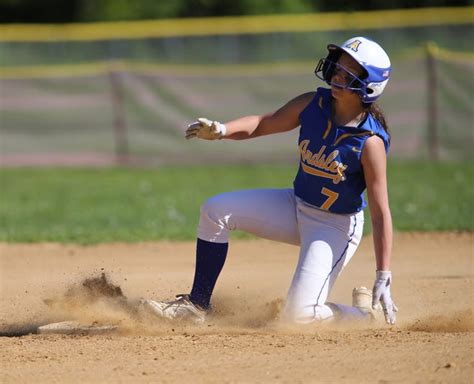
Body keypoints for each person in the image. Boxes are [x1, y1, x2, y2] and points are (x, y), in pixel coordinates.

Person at [144, 36, 398, 325]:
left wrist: (383, 275)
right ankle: (197, 305)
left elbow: (380, 213)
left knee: (298, 317)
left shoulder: (370, 142)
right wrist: (221, 130)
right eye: (338, 67)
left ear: (370, 85)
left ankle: (364, 315)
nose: (339, 75)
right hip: (295, 205)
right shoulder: (313, 104)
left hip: (334, 226)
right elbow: (265, 123)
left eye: (349, 71)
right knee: (215, 211)